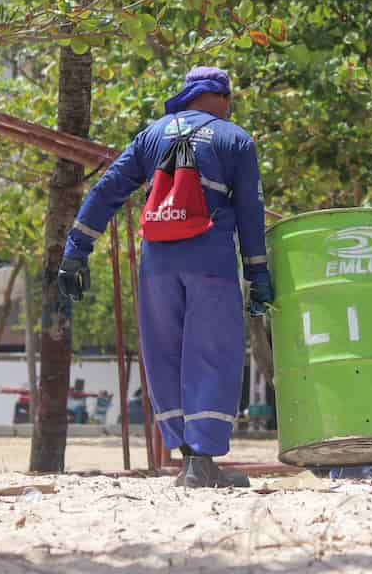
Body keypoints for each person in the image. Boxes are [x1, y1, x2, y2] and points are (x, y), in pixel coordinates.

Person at [58, 66, 272, 488]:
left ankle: (191, 459)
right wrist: (258, 277)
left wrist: (75, 252)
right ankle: (203, 461)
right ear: (224, 99)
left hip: (156, 266)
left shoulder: (152, 135)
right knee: (212, 355)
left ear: (188, 94)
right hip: (210, 264)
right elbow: (251, 213)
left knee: (165, 356)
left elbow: (106, 192)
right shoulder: (236, 140)